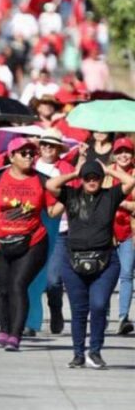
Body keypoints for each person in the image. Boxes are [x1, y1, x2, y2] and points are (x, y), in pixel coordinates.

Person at [0, 138, 60, 351]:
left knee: (18, 285)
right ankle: (4, 330)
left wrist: (65, 196)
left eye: (31, 153)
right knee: (3, 288)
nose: (29, 156)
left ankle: (15, 335)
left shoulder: (42, 180)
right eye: (23, 153)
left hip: (33, 242)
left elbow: (52, 212)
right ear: (11, 156)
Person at [46, 159, 135, 368]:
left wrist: (108, 169)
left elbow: (130, 182)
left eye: (96, 177)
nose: (92, 181)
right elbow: (50, 185)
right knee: (78, 309)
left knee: (99, 305)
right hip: (74, 260)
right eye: (88, 178)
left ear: (102, 179)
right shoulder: (71, 195)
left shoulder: (110, 196)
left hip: (105, 262)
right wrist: (74, 173)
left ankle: (95, 351)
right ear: (82, 179)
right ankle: (78, 354)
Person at [34, 128, 74, 335]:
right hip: (31, 228)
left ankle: (55, 308)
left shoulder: (67, 169)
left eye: (52, 145)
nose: (47, 148)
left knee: (53, 280)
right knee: (30, 277)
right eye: (44, 144)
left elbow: (76, 195)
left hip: (60, 230)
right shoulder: (29, 164)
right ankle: (30, 320)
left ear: (59, 149)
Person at [107, 138, 135, 335]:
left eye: (127, 152)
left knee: (126, 274)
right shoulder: (107, 173)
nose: (123, 155)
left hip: (130, 231)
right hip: (107, 231)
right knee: (106, 275)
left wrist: (125, 204)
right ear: (114, 154)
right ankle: (103, 314)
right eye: (119, 152)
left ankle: (123, 317)